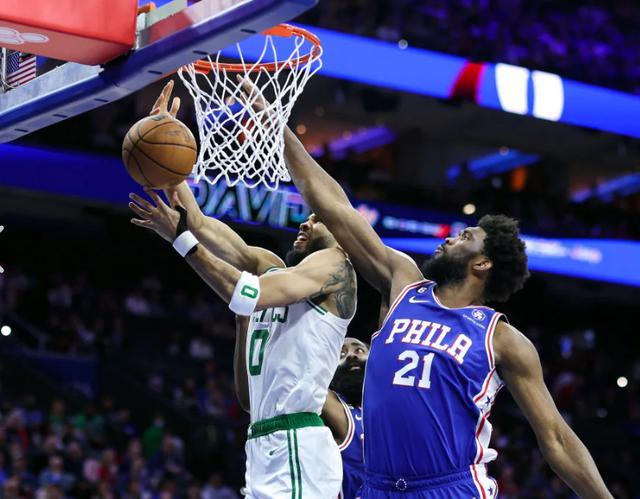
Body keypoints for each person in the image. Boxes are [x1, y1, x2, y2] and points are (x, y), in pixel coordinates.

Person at [277, 99, 613, 497]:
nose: (451, 238)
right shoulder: (403, 284)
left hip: (450, 488)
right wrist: (278, 127)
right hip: (378, 488)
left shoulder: (501, 338)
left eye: (465, 237)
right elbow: (335, 206)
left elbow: (555, 437)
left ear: (483, 264)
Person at [129, 81, 357, 499]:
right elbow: (199, 224)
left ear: (340, 231)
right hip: (263, 440)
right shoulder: (272, 266)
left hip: (297, 444)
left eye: (316, 219)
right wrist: (169, 169)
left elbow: (243, 294)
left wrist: (181, 240)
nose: (305, 222)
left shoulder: (334, 267)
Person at [321, 337, 368, 499]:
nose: (351, 355)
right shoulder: (336, 407)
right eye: (341, 354)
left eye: (359, 350)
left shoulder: (390, 407)